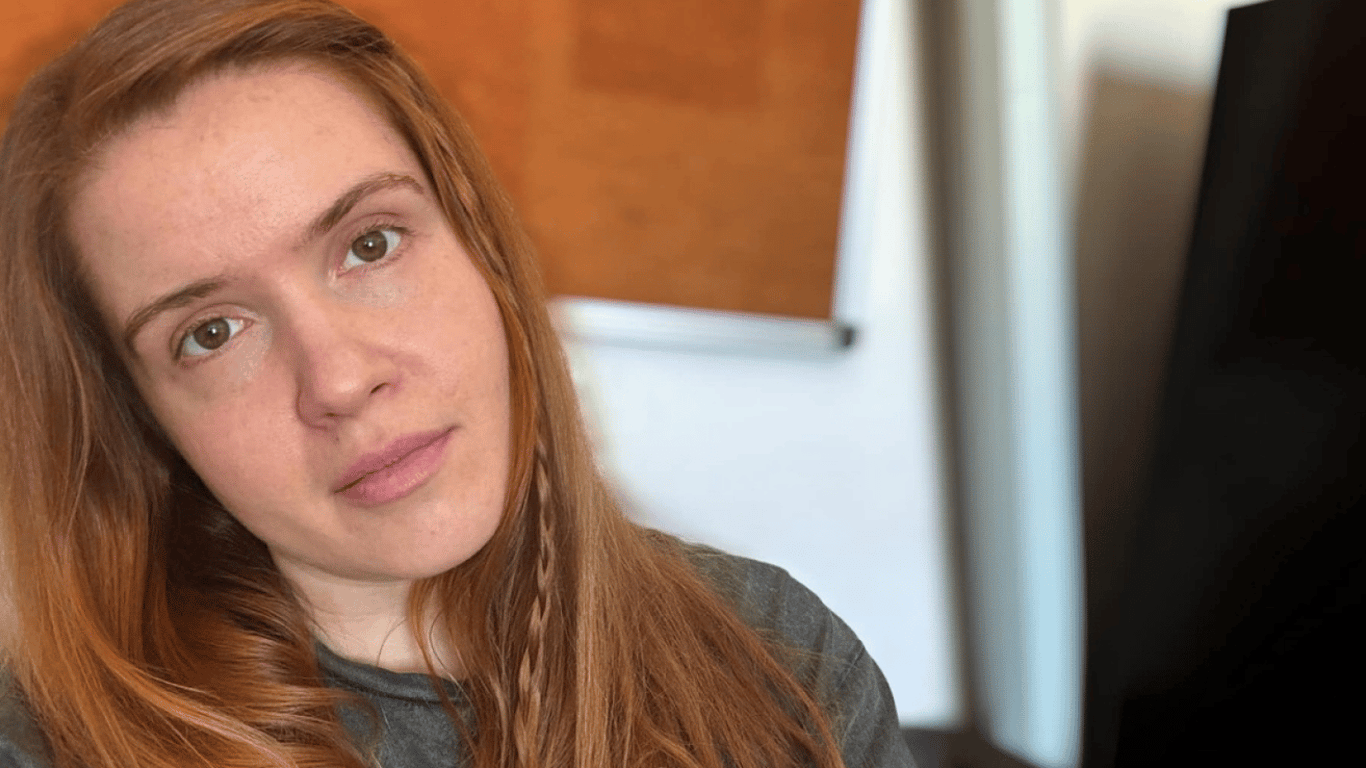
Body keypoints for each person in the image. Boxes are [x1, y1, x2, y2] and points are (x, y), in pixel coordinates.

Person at [0, 1, 915, 766]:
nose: (341, 379)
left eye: (370, 245)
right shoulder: (47, 741)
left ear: (482, 244)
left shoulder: (781, 662)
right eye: (211, 333)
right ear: (142, 415)